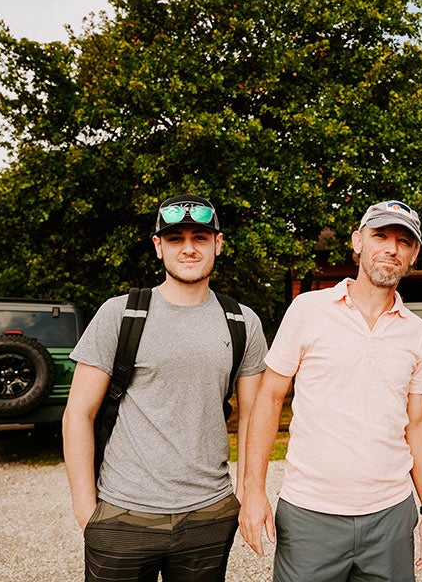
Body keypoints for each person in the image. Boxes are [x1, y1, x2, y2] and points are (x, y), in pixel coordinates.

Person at [62, 193, 269, 580]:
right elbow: (78, 413)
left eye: (200, 238)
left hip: (209, 513)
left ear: (218, 244)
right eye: (175, 238)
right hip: (122, 513)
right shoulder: (119, 313)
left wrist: (247, 495)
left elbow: (254, 421)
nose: (188, 248)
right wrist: (86, 510)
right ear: (158, 247)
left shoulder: (243, 322)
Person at [238, 200, 422, 582]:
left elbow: (417, 423)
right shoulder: (307, 309)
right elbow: (268, 398)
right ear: (358, 242)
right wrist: (253, 491)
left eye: (403, 241)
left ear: (413, 254)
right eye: (380, 236)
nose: (391, 249)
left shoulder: (415, 332)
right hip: (309, 513)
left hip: (390, 515)